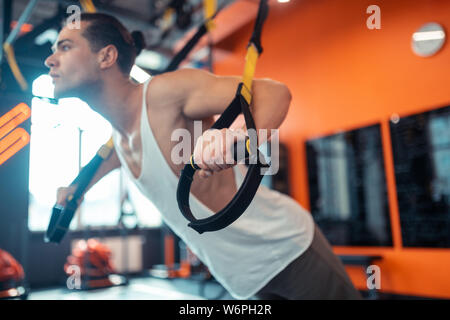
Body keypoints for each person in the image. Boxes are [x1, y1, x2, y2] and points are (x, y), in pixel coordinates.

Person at [47, 12, 362, 300]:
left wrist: (233, 137)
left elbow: (275, 93)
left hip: (288, 251)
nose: (50, 60)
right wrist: (76, 190)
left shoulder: (164, 94)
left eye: (64, 47)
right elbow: (104, 161)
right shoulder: (118, 136)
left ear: (106, 56)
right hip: (241, 278)